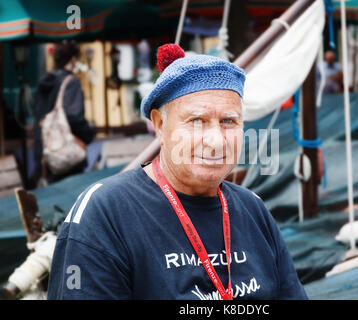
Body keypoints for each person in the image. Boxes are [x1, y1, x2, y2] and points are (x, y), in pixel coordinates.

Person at [47, 44, 308, 300]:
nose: (216, 141)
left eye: (229, 121)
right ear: (160, 125)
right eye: (197, 121)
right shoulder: (105, 212)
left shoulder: (253, 209)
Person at [32, 41, 95, 185]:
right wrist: (89, 134)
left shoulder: (44, 82)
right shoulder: (71, 82)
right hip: (67, 157)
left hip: (47, 155)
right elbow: (73, 117)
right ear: (73, 59)